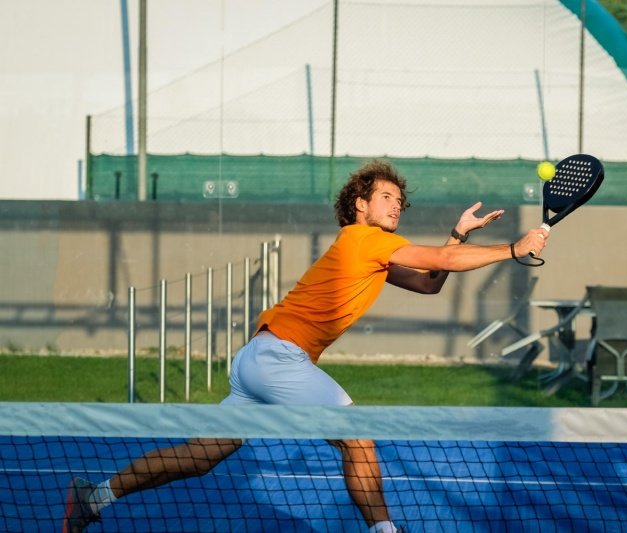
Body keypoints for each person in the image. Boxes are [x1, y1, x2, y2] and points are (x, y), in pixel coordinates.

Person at [62, 159, 548, 533]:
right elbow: (441, 261)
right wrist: (513, 249)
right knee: (357, 436)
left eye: (399, 200)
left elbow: (429, 282)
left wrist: (458, 234)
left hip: (257, 360)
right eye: (385, 197)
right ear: (360, 205)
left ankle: (95, 496)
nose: (395, 205)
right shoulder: (364, 240)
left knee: (202, 455)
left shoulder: (369, 251)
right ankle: (385, 531)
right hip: (278, 358)